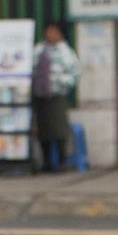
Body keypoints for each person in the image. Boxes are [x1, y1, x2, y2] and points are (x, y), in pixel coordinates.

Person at [29, 18, 80, 177]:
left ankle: (62, 160)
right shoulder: (38, 50)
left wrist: (60, 82)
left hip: (57, 94)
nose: (50, 35)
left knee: (59, 129)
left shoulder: (66, 52)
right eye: (48, 31)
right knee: (43, 130)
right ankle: (46, 162)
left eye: (54, 31)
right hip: (40, 95)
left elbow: (75, 73)